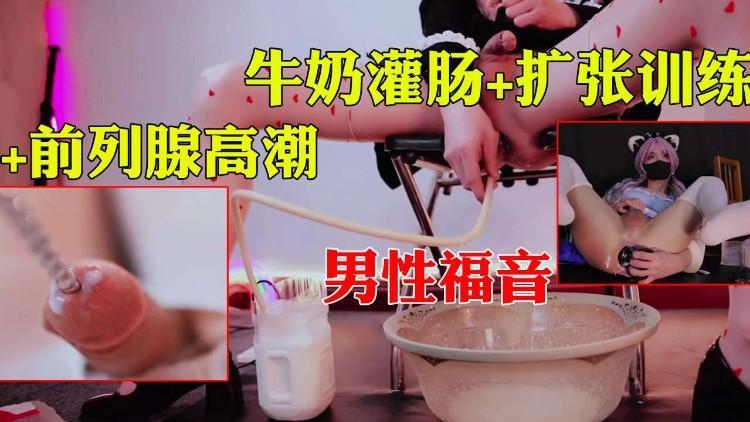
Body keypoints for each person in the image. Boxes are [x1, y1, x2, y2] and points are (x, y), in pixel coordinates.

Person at [558, 132, 726, 283]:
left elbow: (695, 239)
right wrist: (614, 207)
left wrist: (679, 261)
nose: (659, 160)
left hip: (655, 245)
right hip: (608, 241)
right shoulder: (624, 188)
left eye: (665, 155)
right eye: (650, 157)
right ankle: (561, 207)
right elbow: (593, 212)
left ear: (673, 162)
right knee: (566, 162)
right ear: (641, 163)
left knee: (708, 181)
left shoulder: (680, 200)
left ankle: (718, 220)